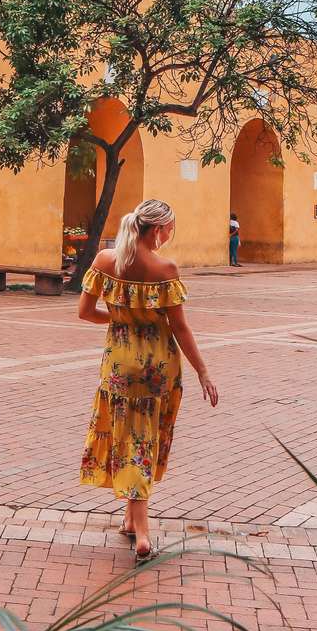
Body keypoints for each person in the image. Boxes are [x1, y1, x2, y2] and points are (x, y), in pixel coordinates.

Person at [78, 198, 217, 563]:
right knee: (145, 442)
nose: (169, 237)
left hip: (119, 365)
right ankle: (142, 531)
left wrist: (122, 323)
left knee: (127, 438)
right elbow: (180, 328)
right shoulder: (164, 268)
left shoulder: (105, 261)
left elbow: (84, 312)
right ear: (156, 229)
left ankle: (129, 519)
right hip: (159, 367)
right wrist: (203, 371)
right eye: (169, 230)